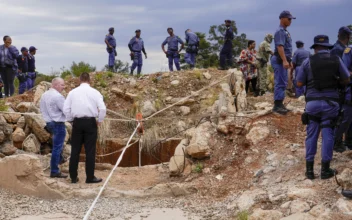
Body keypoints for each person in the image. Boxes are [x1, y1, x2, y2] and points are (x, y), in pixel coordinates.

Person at [296, 35, 350, 180]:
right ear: (327, 48)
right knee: (328, 134)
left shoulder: (307, 61)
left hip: (312, 104)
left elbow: (299, 84)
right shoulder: (336, 60)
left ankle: (309, 171)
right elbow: (346, 79)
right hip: (330, 105)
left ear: (315, 48)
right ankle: (325, 170)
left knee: (311, 135)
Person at [63, 72, 106, 184]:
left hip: (77, 122)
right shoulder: (95, 92)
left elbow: (66, 109)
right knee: (90, 151)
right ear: (89, 80)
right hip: (90, 123)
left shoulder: (72, 92)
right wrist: (99, 121)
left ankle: (73, 177)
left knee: (75, 151)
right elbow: (102, 109)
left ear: (79, 80)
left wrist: (71, 120)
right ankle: (90, 177)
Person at [40, 77, 68, 178]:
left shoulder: (44, 95)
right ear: (55, 85)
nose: (63, 87)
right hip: (58, 123)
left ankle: (60, 162)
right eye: (62, 85)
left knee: (56, 146)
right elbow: (66, 111)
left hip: (49, 123)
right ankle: (54, 170)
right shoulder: (58, 96)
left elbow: (42, 109)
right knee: (57, 147)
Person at [332, 27, 352, 153]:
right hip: (343, 87)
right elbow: (342, 71)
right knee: (343, 117)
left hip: (343, 86)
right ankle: (337, 141)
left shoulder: (339, 48)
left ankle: (347, 141)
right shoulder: (341, 50)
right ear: (348, 37)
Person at [271, 11, 295, 115]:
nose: (290, 21)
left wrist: (289, 61)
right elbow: (280, 47)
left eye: (291, 19)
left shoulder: (285, 31)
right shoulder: (280, 31)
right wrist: (285, 60)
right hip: (279, 60)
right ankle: (277, 105)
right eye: (288, 19)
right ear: (282, 19)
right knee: (280, 82)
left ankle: (280, 103)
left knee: (283, 82)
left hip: (283, 60)